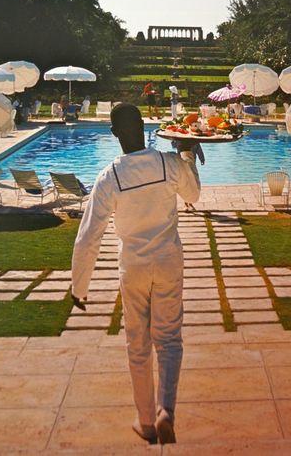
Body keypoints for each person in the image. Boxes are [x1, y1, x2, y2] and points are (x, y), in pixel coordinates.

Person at [71, 103, 200, 445]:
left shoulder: (109, 177)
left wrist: (79, 288)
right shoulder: (167, 163)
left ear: (114, 133)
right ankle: (166, 410)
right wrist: (186, 154)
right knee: (169, 339)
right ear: (145, 124)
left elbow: (88, 236)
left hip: (134, 267)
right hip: (169, 261)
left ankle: (146, 421)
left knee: (138, 344)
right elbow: (194, 195)